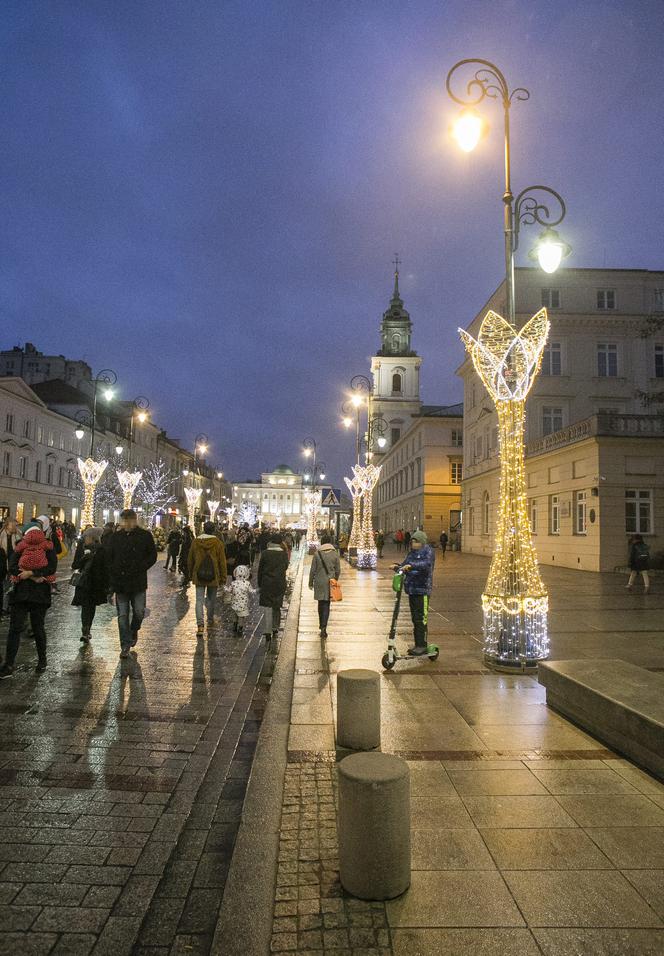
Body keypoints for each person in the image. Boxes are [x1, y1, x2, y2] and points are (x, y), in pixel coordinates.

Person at [0, 526, 58, 677]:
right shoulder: (46, 547)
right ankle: (19, 662)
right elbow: (50, 568)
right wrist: (34, 575)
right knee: (26, 628)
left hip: (27, 593)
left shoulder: (24, 546)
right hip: (33, 594)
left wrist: (29, 573)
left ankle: (14, 664)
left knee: (28, 628)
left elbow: (13, 567)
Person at [107, 509, 158, 659]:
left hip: (138, 582)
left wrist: (142, 566)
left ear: (135, 520)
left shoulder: (144, 536)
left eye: (130, 520)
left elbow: (152, 555)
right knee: (122, 616)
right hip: (120, 582)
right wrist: (113, 574)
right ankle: (125, 645)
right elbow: (109, 558)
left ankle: (134, 629)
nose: (127, 523)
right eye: (125, 520)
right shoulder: (116, 537)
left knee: (139, 612)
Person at [393, 530, 435, 656]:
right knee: (415, 618)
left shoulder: (428, 551)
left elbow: (426, 565)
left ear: (421, 542)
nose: (413, 543)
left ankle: (422, 645)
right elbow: (405, 564)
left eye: (415, 541)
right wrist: (397, 566)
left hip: (422, 590)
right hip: (411, 589)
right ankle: (417, 644)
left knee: (421, 618)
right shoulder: (412, 553)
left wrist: (410, 566)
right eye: (412, 541)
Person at [71, 527, 110, 643]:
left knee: (90, 606)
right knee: (86, 606)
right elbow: (75, 565)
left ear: (93, 538)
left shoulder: (102, 550)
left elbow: (105, 568)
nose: (85, 539)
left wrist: (107, 585)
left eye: (87, 537)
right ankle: (85, 629)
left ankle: (87, 628)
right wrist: (83, 559)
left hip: (95, 583)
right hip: (84, 583)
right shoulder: (82, 548)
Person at [188, 521, 227, 636]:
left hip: (199, 575)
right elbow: (222, 561)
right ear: (213, 530)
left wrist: (191, 574)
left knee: (199, 600)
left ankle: (200, 625)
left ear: (204, 529)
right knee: (211, 599)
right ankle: (210, 619)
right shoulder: (217, 543)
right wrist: (223, 577)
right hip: (213, 575)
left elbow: (190, 559)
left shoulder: (196, 542)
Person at [257, 532, 289, 642]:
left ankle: (267, 630)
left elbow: (260, 570)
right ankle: (275, 627)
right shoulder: (283, 554)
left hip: (267, 582)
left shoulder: (265, 553)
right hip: (279, 582)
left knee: (267, 606)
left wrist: (259, 583)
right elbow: (285, 566)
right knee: (277, 605)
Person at [308, 533, 341, 639]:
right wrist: (335, 579)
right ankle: (324, 628)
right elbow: (338, 570)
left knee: (320, 603)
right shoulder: (335, 553)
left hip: (319, 581)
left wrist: (310, 582)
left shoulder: (317, 554)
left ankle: (321, 624)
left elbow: (313, 569)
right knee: (327, 604)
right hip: (330, 582)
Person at [0, 520, 22, 617]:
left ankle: (7, 606)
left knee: (11, 585)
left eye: (14, 525)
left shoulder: (17, 534)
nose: (13, 526)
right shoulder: (1, 534)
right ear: (7, 525)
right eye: (11, 525)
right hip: (3, 563)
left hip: (13, 562)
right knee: (5, 585)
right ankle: (4, 607)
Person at [229, 564, 255, 635]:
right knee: (241, 616)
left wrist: (224, 588)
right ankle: (240, 628)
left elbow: (229, 590)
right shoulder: (247, 583)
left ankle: (234, 625)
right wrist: (258, 590)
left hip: (234, 602)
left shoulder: (233, 583)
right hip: (243, 603)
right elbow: (251, 591)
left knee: (235, 614)